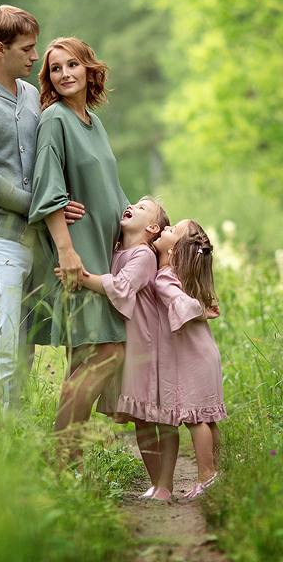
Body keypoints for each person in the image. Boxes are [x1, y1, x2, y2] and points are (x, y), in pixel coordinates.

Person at [0, 5, 83, 407]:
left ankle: (12, 441)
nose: (35, 57)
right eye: (26, 49)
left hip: (32, 244)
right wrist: (43, 208)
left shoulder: (30, 96)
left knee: (23, 354)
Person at [27, 37, 130, 462]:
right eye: (55, 68)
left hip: (105, 256)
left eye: (72, 65)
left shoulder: (93, 123)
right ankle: (58, 459)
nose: (64, 74)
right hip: (78, 257)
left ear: (89, 69)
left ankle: (66, 467)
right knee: (107, 352)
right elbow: (48, 188)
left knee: (84, 361)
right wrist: (67, 252)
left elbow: (111, 192)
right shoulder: (54, 120)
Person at [68, 197, 194, 501]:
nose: (132, 206)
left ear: (152, 228)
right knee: (142, 417)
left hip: (151, 347)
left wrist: (83, 278)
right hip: (132, 349)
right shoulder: (115, 252)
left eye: (142, 207)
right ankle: (156, 484)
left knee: (160, 416)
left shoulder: (143, 255)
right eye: (134, 204)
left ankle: (165, 484)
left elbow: (122, 287)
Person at [152, 219, 226, 498]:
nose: (165, 229)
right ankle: (216, 472)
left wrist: (199, 310)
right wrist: (202, 307)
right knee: (208, 417)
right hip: (205, 353)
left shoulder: (165, 277)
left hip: (194, 358)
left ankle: (206, 477)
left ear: (174, 251)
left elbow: (182, 306)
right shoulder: (183, 277)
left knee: (196, 418)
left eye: (171, 230)